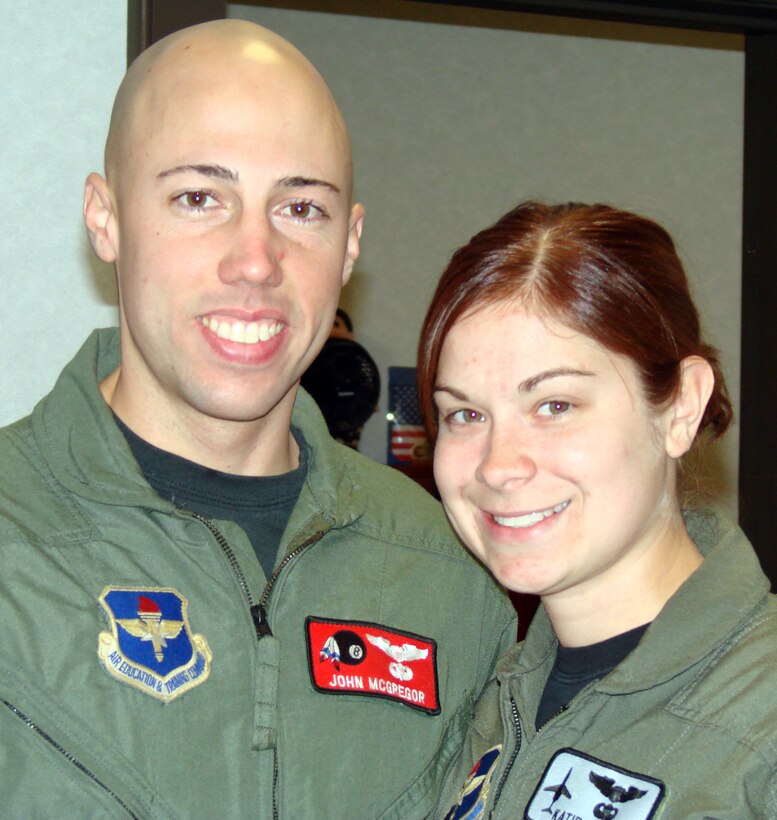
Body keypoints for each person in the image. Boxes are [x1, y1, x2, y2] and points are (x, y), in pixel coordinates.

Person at [0, 20, 516, 818]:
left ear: (349, 245)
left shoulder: (444, 571)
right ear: (105, 217)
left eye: (300, 208)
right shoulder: (14, 535)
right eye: (199, 197)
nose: (255, 260)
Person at [416, 201, 777, 817]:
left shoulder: (756, 722)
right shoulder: (492, 696)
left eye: (555, 404)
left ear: (682, 408)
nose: (498, 464)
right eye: (466, 414)